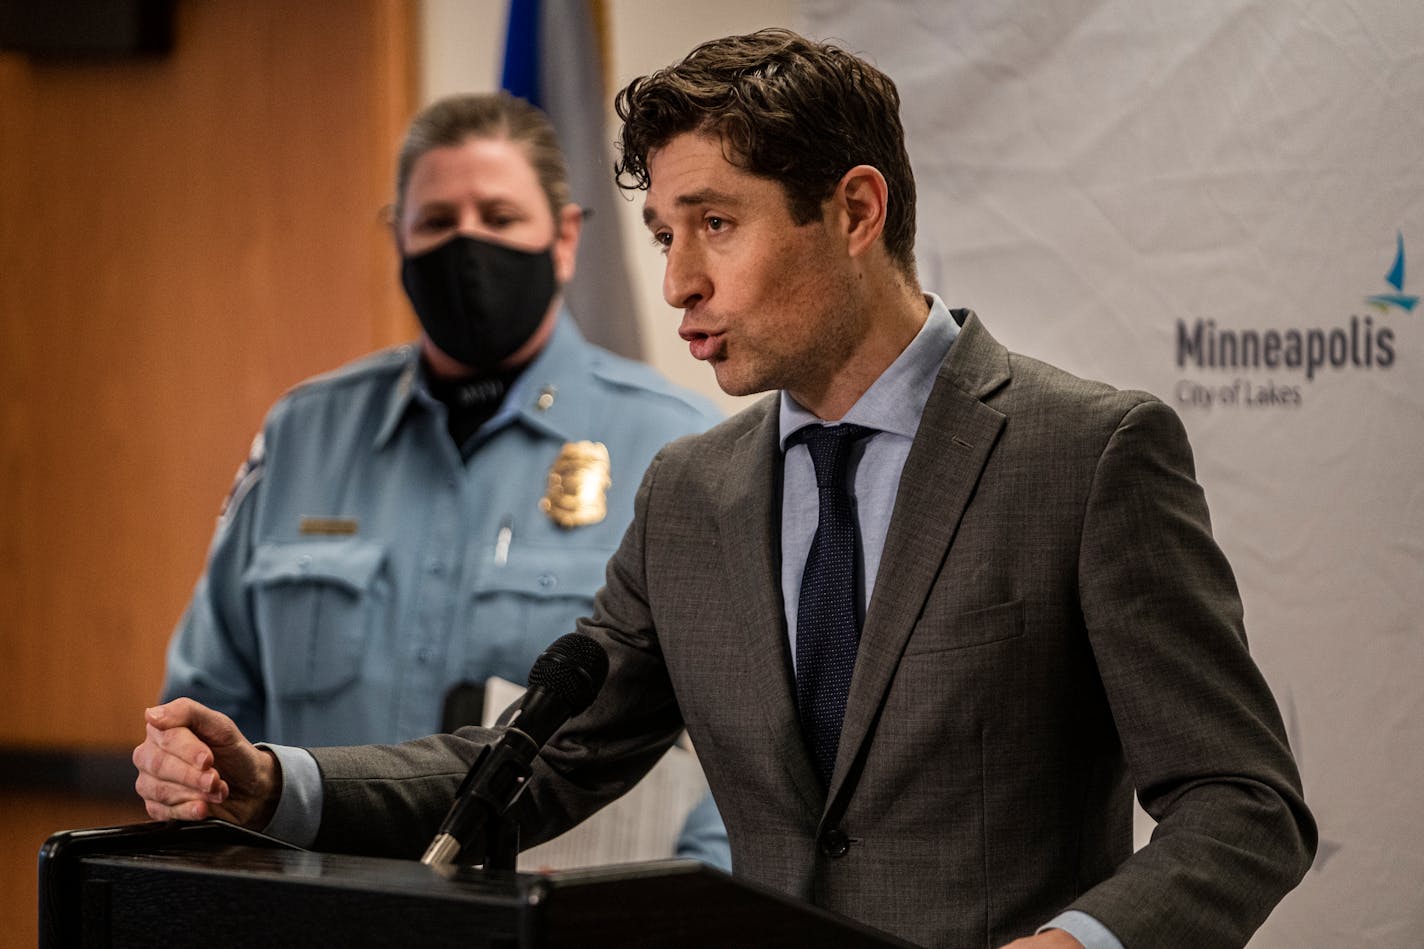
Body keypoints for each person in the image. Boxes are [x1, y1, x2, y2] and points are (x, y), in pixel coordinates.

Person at [135, 31, 1316, 948]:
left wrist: (1076, 941)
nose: (680, 281)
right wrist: (274, 782)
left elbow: (1242, 801)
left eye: (715, 223)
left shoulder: (1087, 454)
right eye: (660, 234)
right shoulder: (690, 493)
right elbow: (533, 761)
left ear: (855, 210)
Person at [156, 91, 728, 867]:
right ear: (397, 236)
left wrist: (683, 909)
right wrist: (189, 777)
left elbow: (745, 757)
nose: (468, 245)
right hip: (318, 914)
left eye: (498, 217)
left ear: (563, 239)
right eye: (435, 222)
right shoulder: (303, 434)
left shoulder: (678, 444)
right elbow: (211, 706)